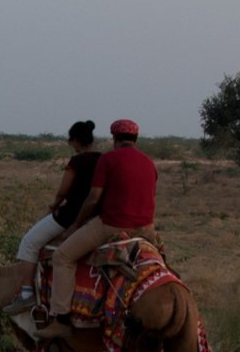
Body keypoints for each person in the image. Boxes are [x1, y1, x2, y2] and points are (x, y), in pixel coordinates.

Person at [35, 119, 157, 339]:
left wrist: (75, 225)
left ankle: (61, 318)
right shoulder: (149, 162)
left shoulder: (108, 159)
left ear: (115, 138)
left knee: (62, 256)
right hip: (146, 228)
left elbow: (92, 200)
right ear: (135, 139)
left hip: (112, 224)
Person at [3, 120, 102, 315]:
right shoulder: (103, 160)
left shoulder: (76, 162)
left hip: (70, 214)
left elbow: (62, 192)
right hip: (97, 216)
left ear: (75, 141)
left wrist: (53, 207)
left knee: (29, 242)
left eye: (71, 141)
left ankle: (26, 293)